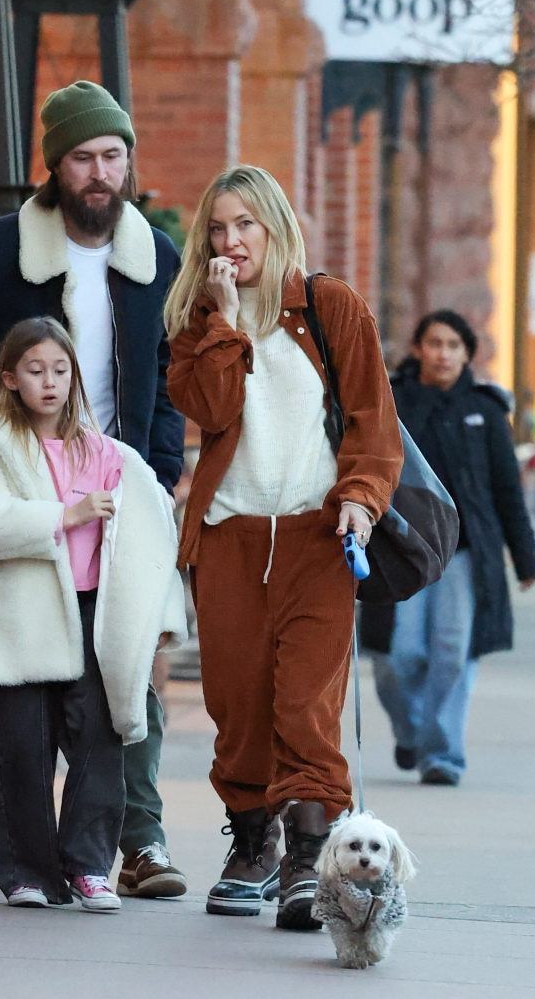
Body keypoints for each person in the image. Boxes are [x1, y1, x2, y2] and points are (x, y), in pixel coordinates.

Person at [0, 80, 188, 897]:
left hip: (116, 500)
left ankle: (135, 840)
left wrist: (159, 476)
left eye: (113, 155)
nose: (100, 172)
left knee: (124, 665)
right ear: (55, 167)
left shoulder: (156, 258)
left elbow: (168, 384)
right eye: (83, 157)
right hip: (20, 492)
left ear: (128, 162)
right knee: (10, 663)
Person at [164, 165, 403, 929]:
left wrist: (361, 502)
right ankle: (252, 844)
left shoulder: (329, 307)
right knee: (236, 703)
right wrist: (226, 320)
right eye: (217, 228)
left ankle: (308, 857)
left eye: (245, 225)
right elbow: (212, 406)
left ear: (274, 226)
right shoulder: (198, 320)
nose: (230, 241)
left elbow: (372, 422)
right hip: (228, 537)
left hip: (316, 534)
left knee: (304, 700)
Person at [0, 317, 187, 910]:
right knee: (20, 746)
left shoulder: (108, 454)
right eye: (35, 370)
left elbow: (153, 528)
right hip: (21, 620)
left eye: (61, 369)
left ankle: (89, 869)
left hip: (94, 616)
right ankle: (28, 872)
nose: (50, 382)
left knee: (98, 740)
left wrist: (157, 614)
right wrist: (66, 515)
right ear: (10, 379)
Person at [362, 310, 535, 786]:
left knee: (453, 651)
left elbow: (507, 491)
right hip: (402, 550)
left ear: (466, 353)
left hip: (464, 554)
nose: (443, 353)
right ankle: (414, 733)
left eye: (453, 345)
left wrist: (526, 560)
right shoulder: (392, 401)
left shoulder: (484, 409)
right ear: (419, 348)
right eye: (434, 343)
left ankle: (443, 755)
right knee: (397, 656)